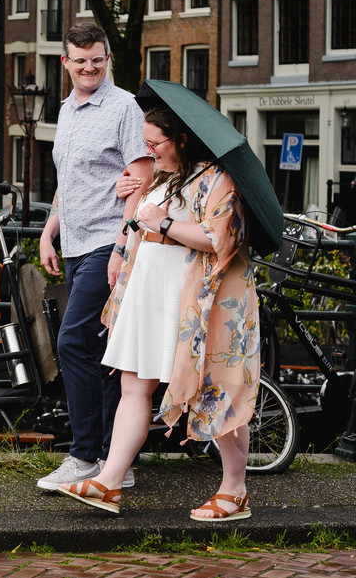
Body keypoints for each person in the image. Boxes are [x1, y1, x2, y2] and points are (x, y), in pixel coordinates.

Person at [56, 107, 259, 520]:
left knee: (217, 389)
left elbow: (218, 239)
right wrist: (130, 204)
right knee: (133, 385)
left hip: (193, 300)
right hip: (149, 293)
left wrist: (163, 222)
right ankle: (109, 481)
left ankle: (234, 491)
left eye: (156, 144)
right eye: (145, 144)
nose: (149, 150)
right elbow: (138, 224)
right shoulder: (165, 178)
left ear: (181, 140)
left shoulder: (216, 178)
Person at [36, 22, 153, 491]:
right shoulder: (66, 109)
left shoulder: (124, 106)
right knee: (104, 353)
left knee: (72, 342)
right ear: (65, 62)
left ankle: (84, 456)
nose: (89, 68)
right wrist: (48, 232)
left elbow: (140, 176)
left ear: (108, 60)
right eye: (80, 60)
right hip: (75, 244)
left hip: (108, 242)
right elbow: (68, 181)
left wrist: (124, 245)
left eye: (97, 60)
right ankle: (114, 462)